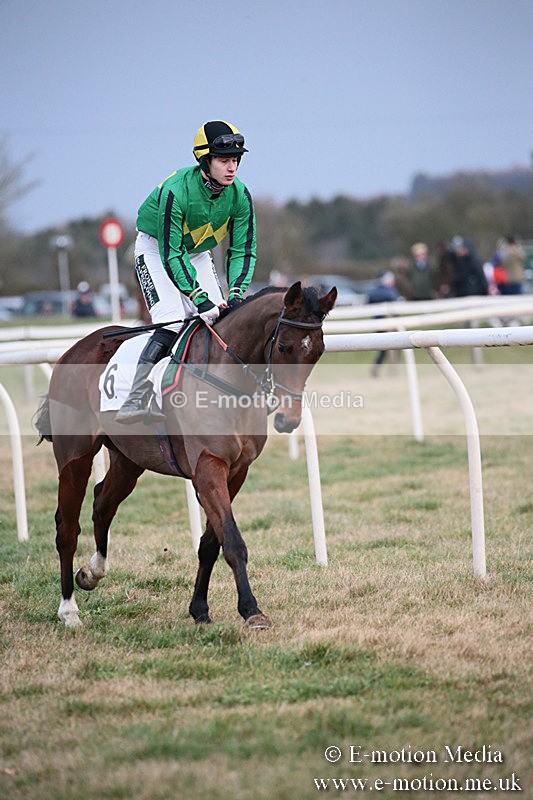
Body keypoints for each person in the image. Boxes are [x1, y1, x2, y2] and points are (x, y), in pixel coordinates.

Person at [115, 120, 256, 424]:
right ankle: (136, 395)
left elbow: (242, 249)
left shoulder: (241, 196)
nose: (231, 168)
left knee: (220, 318)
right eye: (223, 160)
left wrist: (235, 293)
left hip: (196, 252)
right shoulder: (175, 191)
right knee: (169, 320)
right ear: (205, 161)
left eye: (235, 160)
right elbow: (172, 252)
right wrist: (197, 297)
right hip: (157, 249)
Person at [367, 271, 401, 376]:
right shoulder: (390, 292)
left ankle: (379, 368)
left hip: (378, 323)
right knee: (390, 347)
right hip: (388, 323)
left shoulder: (374, 291)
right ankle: (391, 369)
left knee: (384, 348)